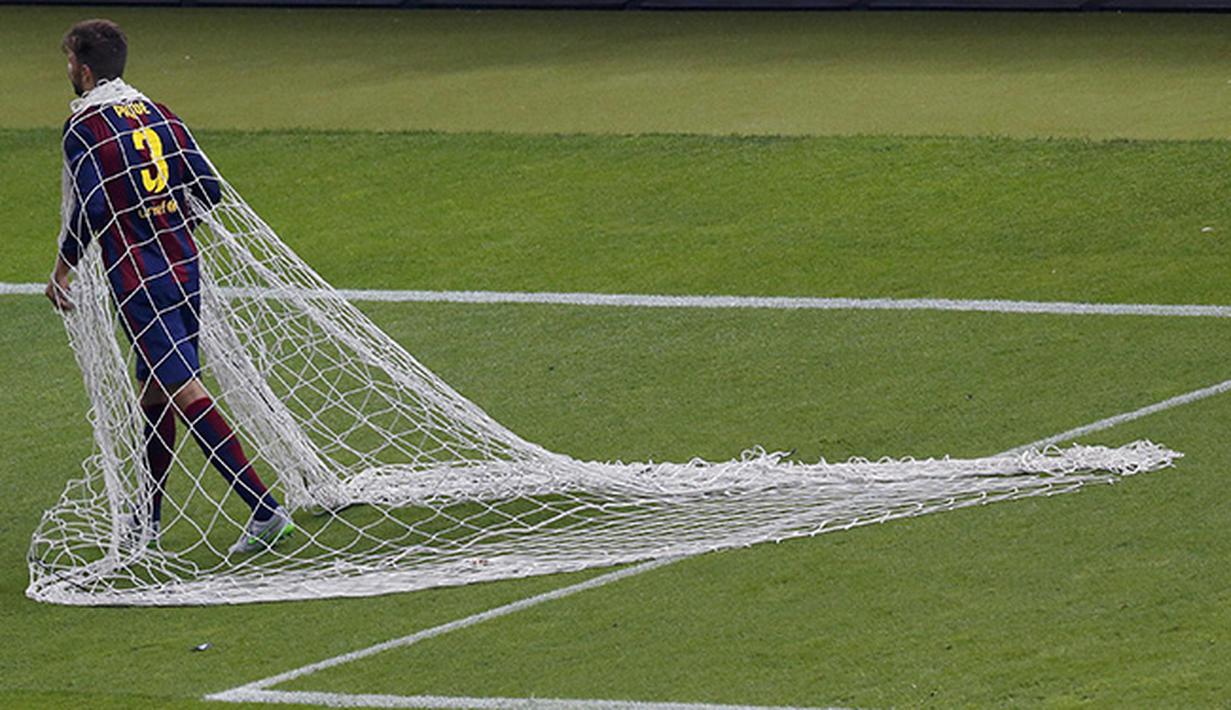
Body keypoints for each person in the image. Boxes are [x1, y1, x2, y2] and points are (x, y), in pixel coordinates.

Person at [46, 19, 294, 555]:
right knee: (154, 392)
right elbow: (207, 189)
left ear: (84, 71)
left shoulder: (85, 129)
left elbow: (94, 204)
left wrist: (63, 269)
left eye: (69, 62)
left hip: (139, 278)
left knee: (182, 391)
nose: (68, 71)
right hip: (184, 266)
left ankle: (264, 508)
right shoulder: (160, 114)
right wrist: (169, 221)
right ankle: (148, 519)